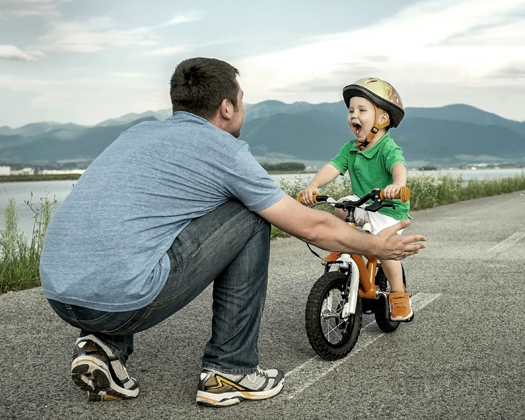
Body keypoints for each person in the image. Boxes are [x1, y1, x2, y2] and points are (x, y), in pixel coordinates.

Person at [39, 59, 426, 407]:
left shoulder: (135, 135)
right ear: (227, 107)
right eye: (242, 99)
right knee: (252, 213)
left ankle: (101, 345)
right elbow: (309, 224)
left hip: (59, 292)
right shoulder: (223, 150)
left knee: (145, 228)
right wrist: (378, 244)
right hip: (122, 301)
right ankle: (230, 369)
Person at [300, 77, 413, 321]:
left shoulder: (387, 148)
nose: (354, 115)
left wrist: (397, 185)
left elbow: (398, 167)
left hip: (389, 211)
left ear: (382, 119)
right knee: (342, 206)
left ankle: (399, 294)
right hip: (364, 204)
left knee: (385, 248)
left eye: (362, 110)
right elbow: (333, 167)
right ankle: (340, 245)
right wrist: (313, 185)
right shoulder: (350, 147)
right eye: (351, 110)